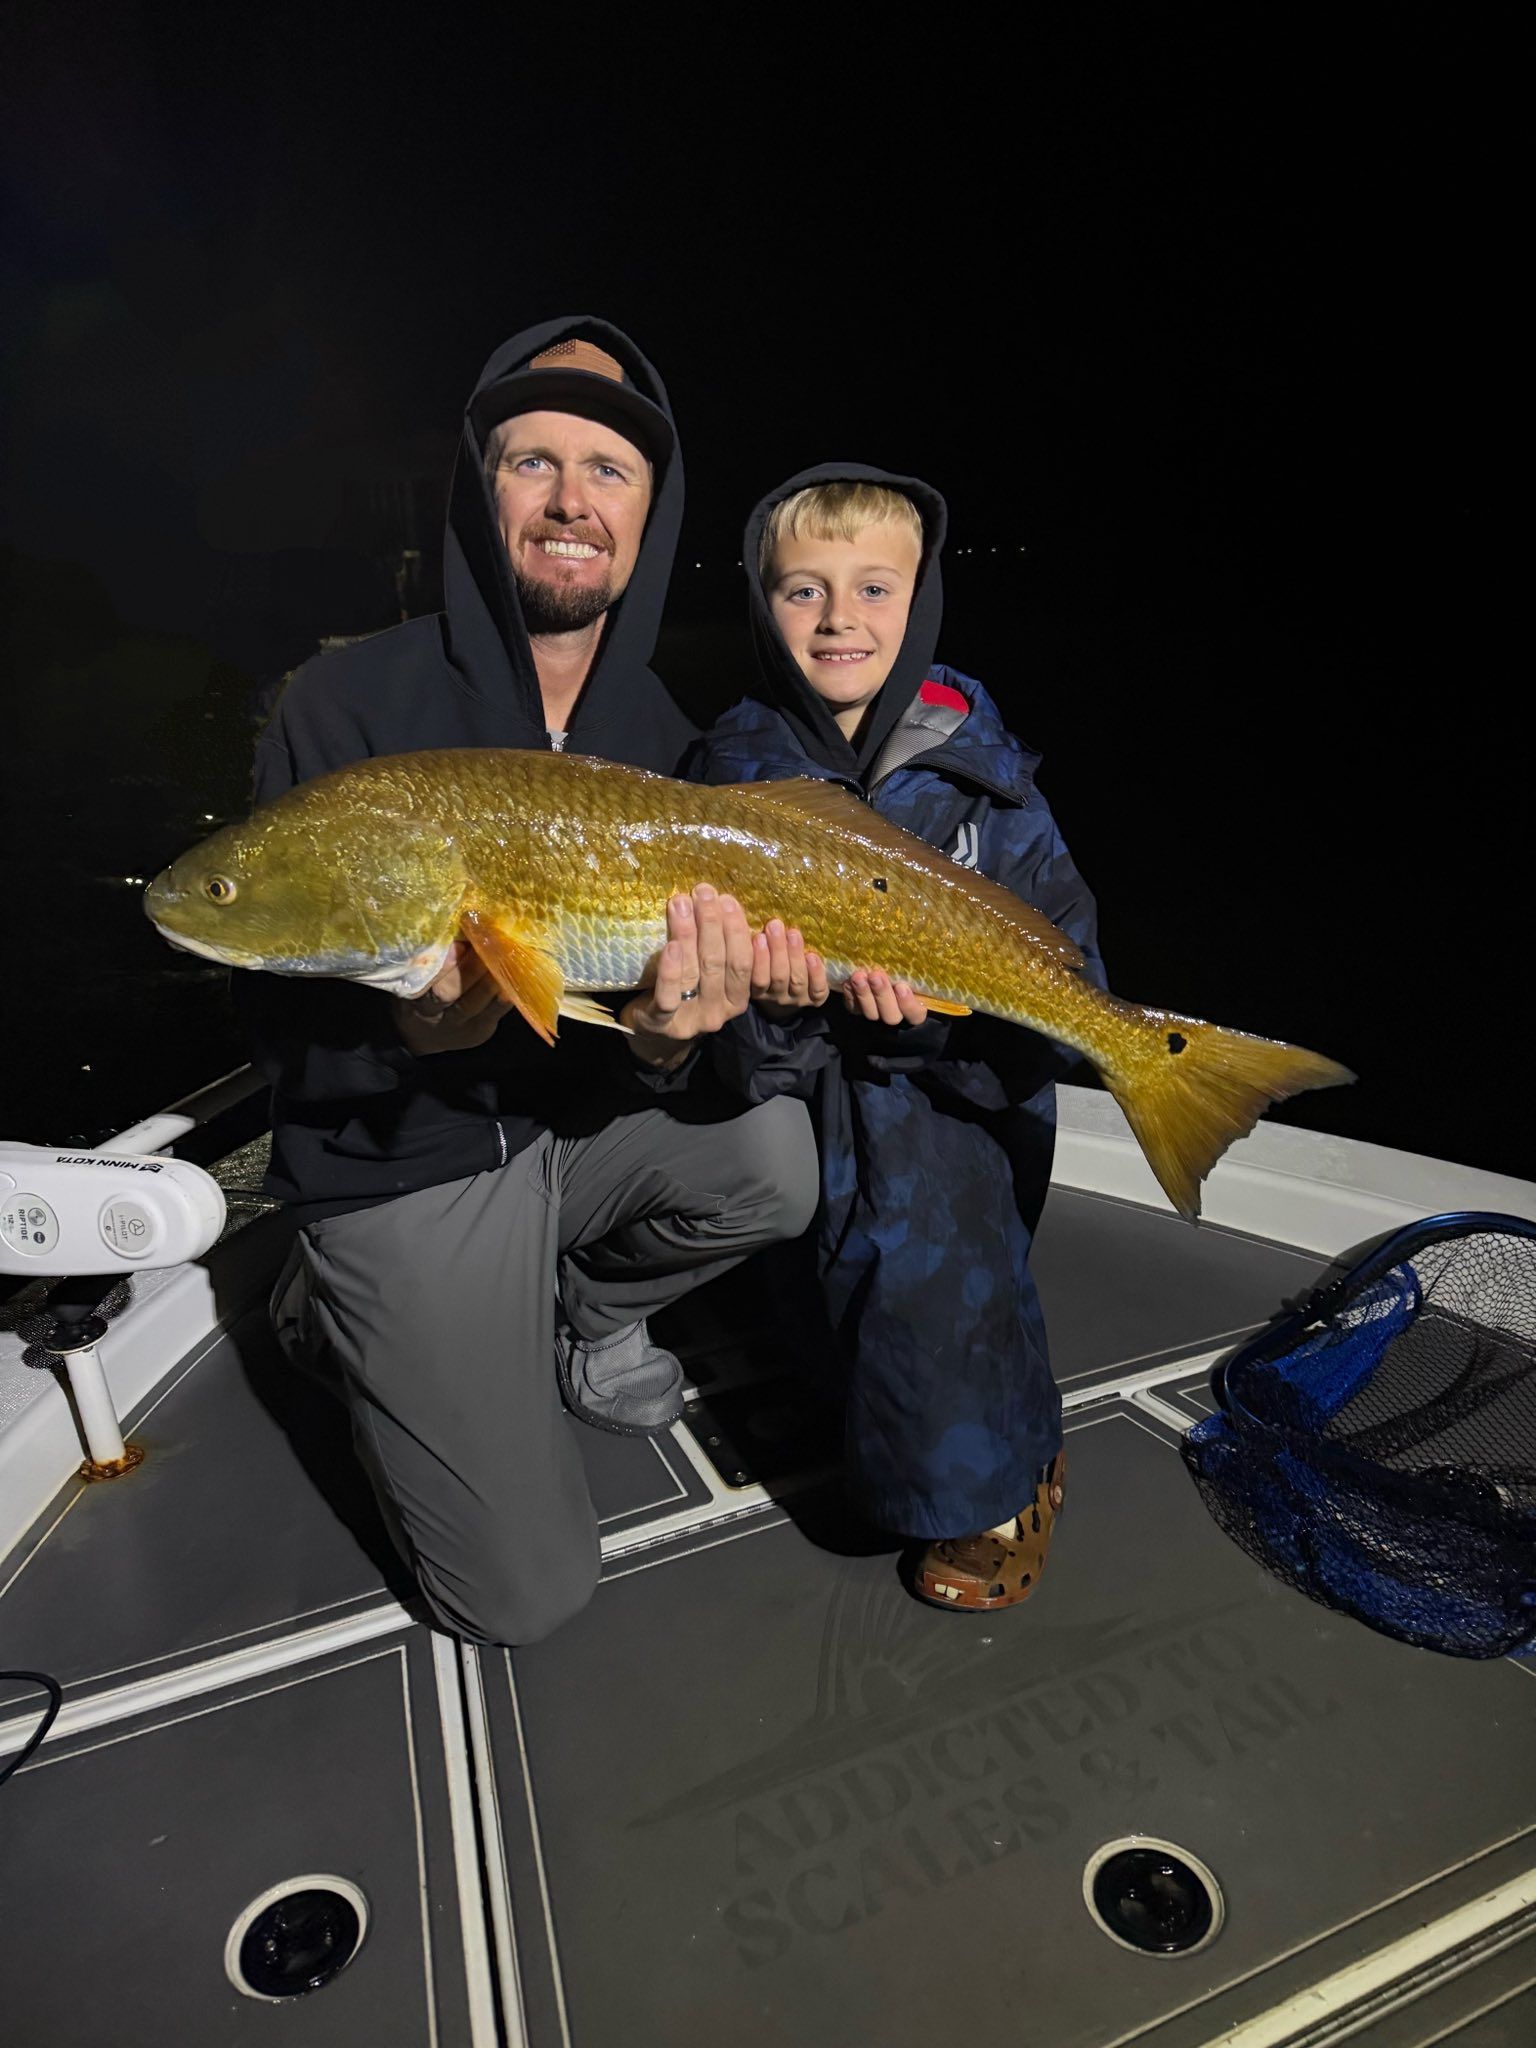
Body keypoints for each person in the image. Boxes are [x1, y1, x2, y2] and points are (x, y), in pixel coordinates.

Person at [241, 320, 818, 1646]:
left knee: (777, 1160)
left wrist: (673, 1043)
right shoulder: (343, 706)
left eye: (610, 472)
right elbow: (279, 1032)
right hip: (402, 1166)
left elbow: (636, 1041)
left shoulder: (673, 744)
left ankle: (577, 1317)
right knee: (525, 1599)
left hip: (561, 1139)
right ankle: (328, 1310)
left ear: (651, 516)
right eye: (533, 463)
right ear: (477, 487)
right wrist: (417, 1033)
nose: (571, 501)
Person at [691, 465, 1105, 1611]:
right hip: (810, 1105)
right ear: (760, 605)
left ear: (921, 601)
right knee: (824, 1304)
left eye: (876, 587)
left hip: (952, 1107)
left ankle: (1007, 1485)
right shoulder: (726, 773)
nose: (840, 619)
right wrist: (770, 1004)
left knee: (948, 1308)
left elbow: (1068, 990)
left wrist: (946, 1028)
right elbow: (723, 1033)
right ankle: (885, 1432)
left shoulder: (994, 784)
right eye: (803, 590)